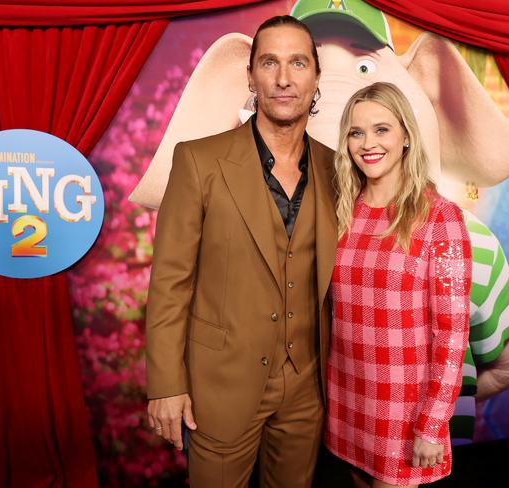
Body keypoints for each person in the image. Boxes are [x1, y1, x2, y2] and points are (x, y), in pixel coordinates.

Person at [144, 15, 337, 488]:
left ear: (316, 76)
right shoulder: (198, 160)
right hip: (222, 383)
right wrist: (167, 384)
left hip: (309, 386)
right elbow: (170, 282)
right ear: (250, 75)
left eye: (298, 63)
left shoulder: (338, 168)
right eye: (270, 62)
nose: (284, 78)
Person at [326, 82, 471, 487]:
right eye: (356, 132)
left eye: (381, 129)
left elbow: (453, 332)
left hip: (404, 411)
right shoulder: (342, 212)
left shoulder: (439, 217)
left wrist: (432, 422)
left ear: (406, 135)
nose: (367, 143)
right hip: (348, 398)